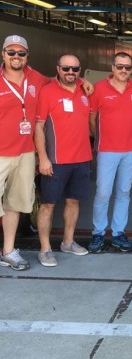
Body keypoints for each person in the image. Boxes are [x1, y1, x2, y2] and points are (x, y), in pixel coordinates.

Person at [34, 54, 92, 267]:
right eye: (66, 68)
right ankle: (45, 248)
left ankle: (68, 242)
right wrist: (43, 158)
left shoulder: (85, 91)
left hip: (82, 158)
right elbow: (39, 126)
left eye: (75, 69)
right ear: (58, 69)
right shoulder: (47, 92)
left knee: (73, 201)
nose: (71, 72)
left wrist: (86, 83)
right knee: (48, 204)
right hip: (55, 161)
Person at [0, 35, 50, 271]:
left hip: (26, 152)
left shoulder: (37, 78)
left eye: (21, 53)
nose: (16, 57)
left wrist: (83, 82)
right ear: (3, 55)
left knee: (14, 203)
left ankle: (8, 251)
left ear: (27, 56)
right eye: (11, 52)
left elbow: (59, 82)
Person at [88, 52, 132, 253]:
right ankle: (98, 233)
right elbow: (92, 119)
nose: (123, 70)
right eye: (120, 66)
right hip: (106, 150)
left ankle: (118, 232)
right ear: (112, 68)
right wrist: (101, 139)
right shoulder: (99, 88)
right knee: (103, 193)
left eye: (127, 67)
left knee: (124, 192)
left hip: (129, 150)